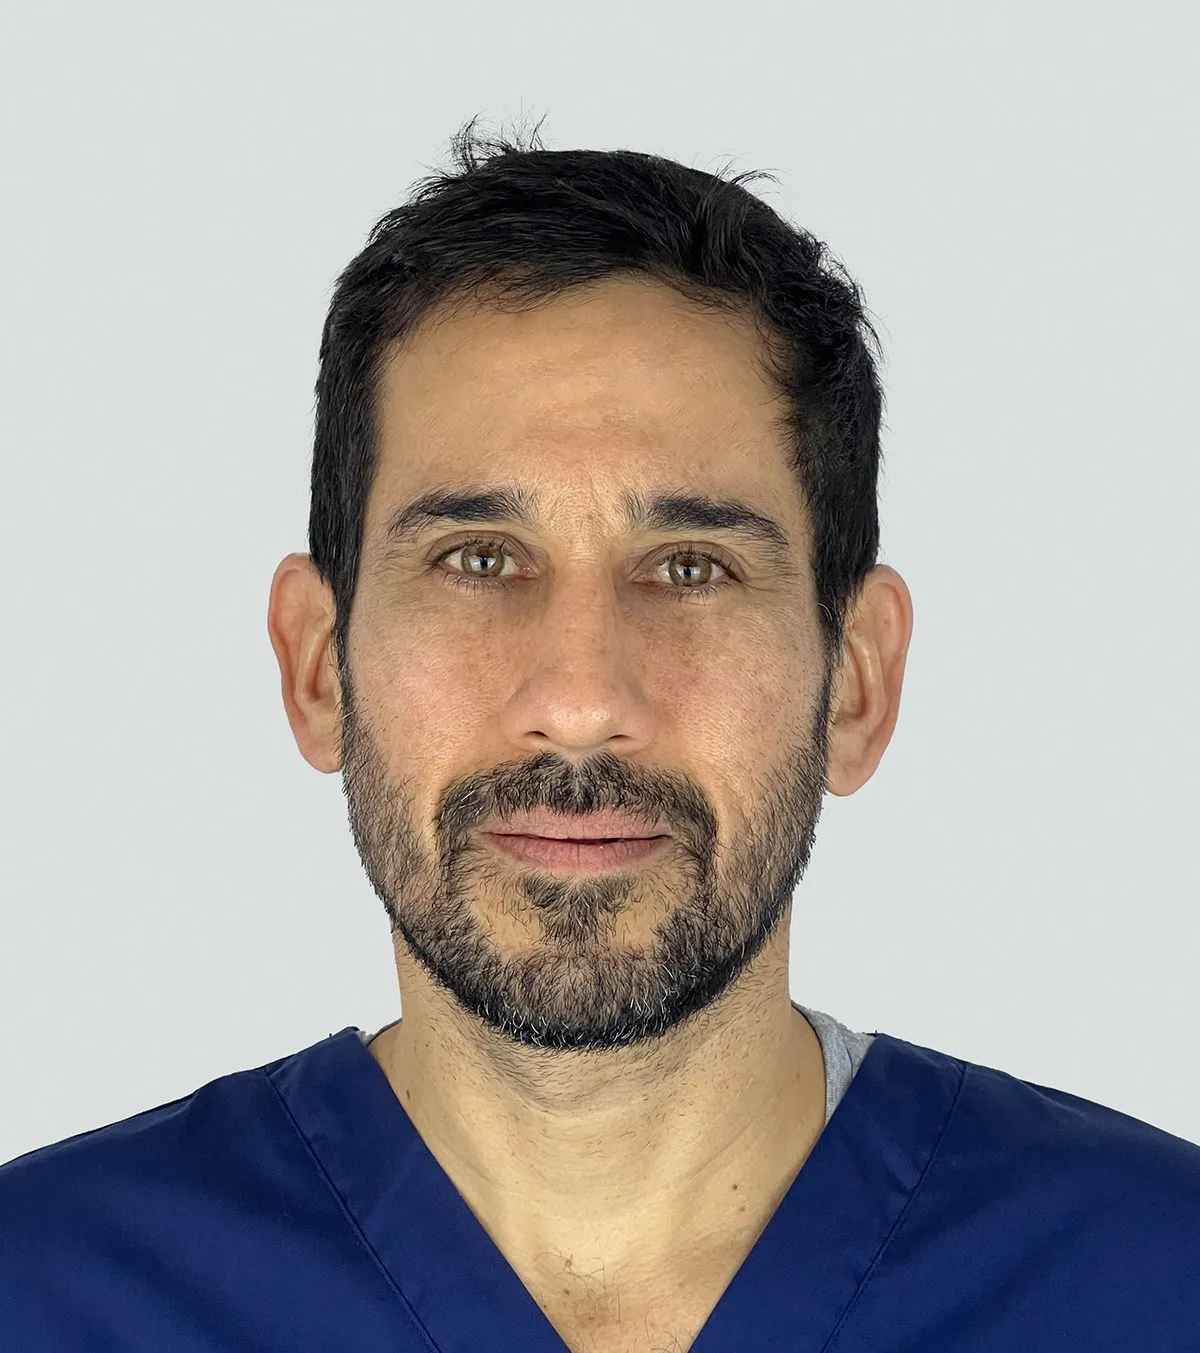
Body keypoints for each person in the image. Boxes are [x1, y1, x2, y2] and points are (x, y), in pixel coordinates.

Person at [2, 116, 1197, 1353]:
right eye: (478, 560)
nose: (580, 702)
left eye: (690, 567)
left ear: (855, 681)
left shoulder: (1161, 1283)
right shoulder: (40, 1294)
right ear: (319, 669)